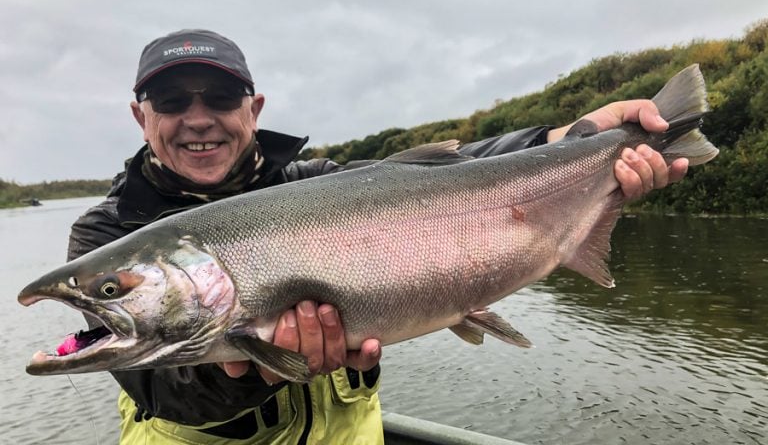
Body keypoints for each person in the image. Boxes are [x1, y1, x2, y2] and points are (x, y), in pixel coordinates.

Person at [67, 29, 688, 444]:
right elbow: (162, 391)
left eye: (221, 97)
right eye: (172, 100)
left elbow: (456, 173)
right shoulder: (109, 233)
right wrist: (256, 369)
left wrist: (574, 139)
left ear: (252, 110)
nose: (197, 118)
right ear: (139, 116)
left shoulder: (317, 185)